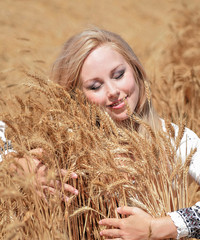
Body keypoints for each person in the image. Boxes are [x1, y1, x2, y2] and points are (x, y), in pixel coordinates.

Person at [50, 27, 200, 240]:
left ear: (136, 70)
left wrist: (159, 228)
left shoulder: (177, 138)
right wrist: (25, 168)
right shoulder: (67, 147)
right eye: (95, 86)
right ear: (76, 97)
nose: (112, 91)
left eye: (119, 75)